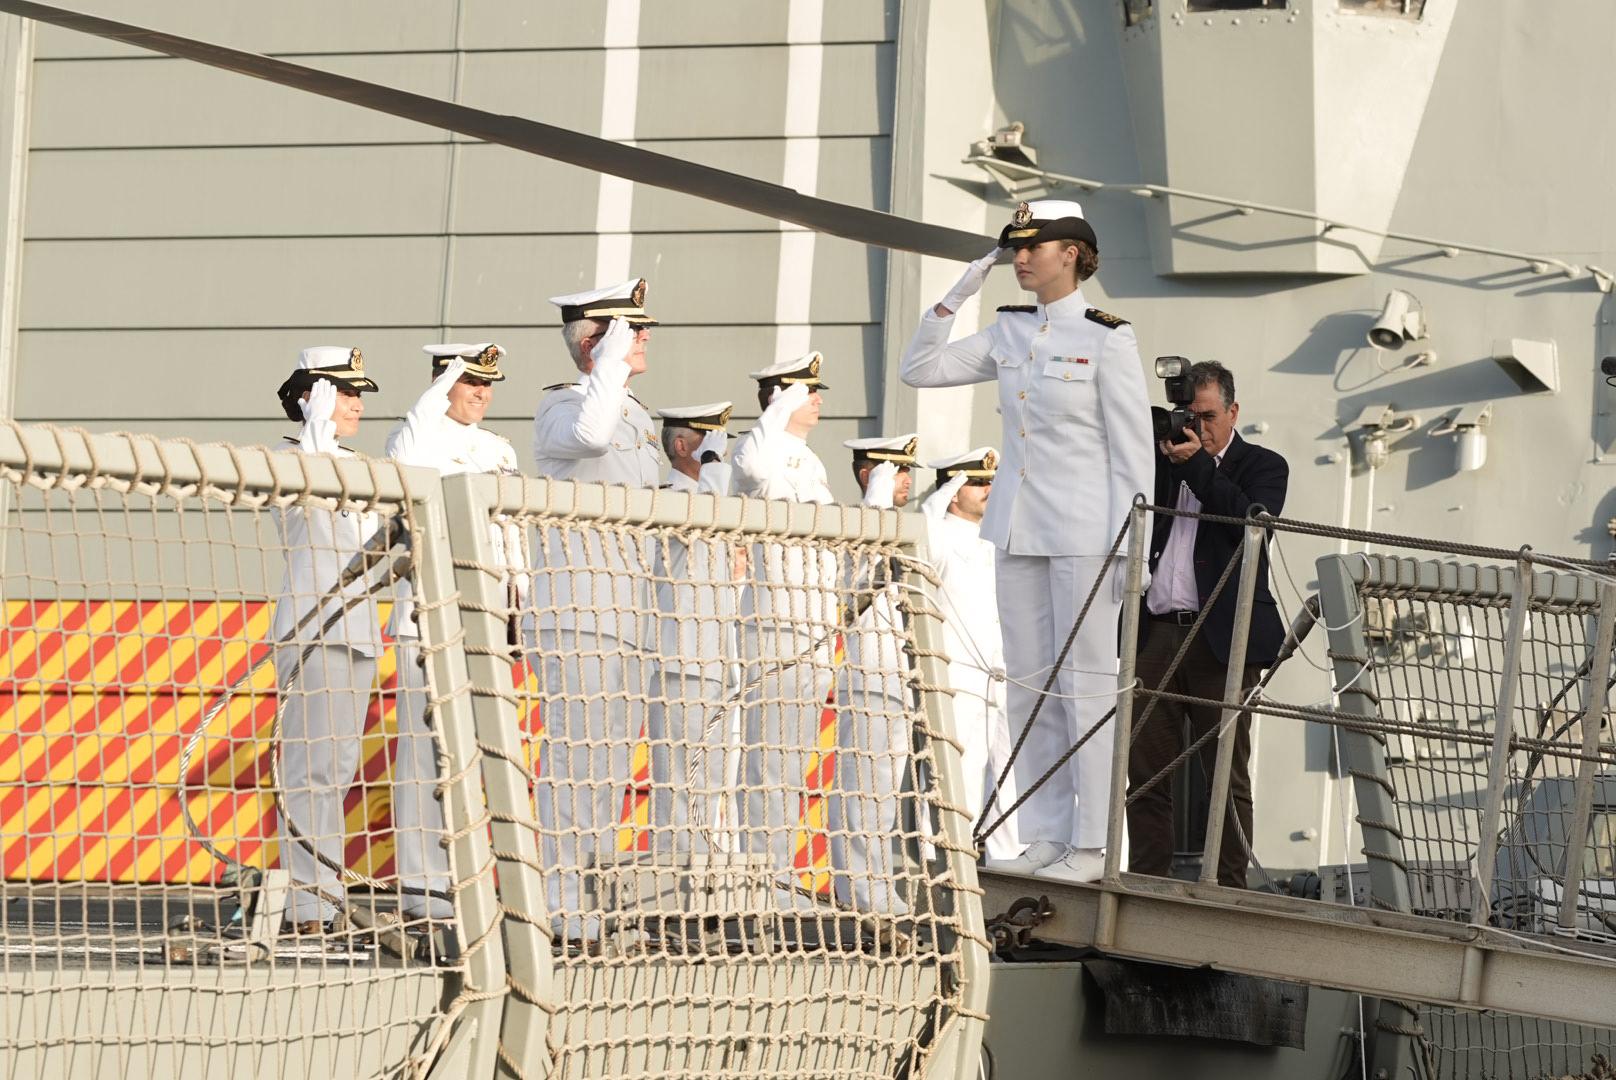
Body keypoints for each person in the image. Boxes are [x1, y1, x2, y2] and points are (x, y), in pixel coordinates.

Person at [899, 199, 1153, 883]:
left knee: (1087, 689)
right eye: (1013, 248)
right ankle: (1044, 835)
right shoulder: (1010, 331)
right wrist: (960, 293)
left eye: (1031, 248)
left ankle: (1094, 847)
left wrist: (1134, 552)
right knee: (1031, 688)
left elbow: (1133, 457)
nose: (1018, 258)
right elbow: (919, 370)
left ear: (1071, 253)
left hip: (1086, 537)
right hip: (1016, 529)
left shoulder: (1108, 338)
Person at [530, 278, 661, 943]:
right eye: (628, 330)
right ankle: (555, 901)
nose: (644, 337)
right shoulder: (567, 407)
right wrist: (606, 365)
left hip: (627, 611)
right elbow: (588, 438)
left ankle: (589, 900)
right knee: (576, 756)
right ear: (596, 342)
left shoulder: (634, 413)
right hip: (576, 610)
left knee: (609, 762)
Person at [1126, 360, 1288, 889]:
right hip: (1159, 631)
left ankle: (1227, 887)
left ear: (1233, 411)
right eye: (1189, 416)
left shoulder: (1263, 464)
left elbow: (1251, 520)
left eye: (1209, 416)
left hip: (1223, 639)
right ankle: (1148, 879)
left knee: (1226, 771)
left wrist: (1198, 466)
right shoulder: (1163, 461)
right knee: (1145, 767)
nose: (1197, 427)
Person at [384, 342, 524, 924]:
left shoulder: (498, 448)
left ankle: (467, 875)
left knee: (476, 746)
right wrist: (438, 391)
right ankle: (421, 883)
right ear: (444, 384)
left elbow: (513, 533)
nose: (482, 395)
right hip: (431, 606)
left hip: (488, 611)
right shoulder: (415, 436)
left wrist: (520, 605)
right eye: (471, 384)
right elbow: (412, 458)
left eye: (489, 385)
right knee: (426, 747)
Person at [270, 345, 384, 932]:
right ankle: (306, 904)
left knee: (336, 771)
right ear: (313, 396)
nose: (356, 404)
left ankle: (323, 896)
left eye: (357, 393)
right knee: (308, 771)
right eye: (343, 392)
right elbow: (306, 506)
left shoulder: (358, 466)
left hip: (358, 631)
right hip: (311, 631)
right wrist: (314, 429)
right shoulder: (289, 459)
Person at [726, 352, 839, 905]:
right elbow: (750, 471)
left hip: (811, 624)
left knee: (791, 759)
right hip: (773, 626)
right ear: (781, 397)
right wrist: (776, 410)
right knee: (768, 758)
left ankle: (778, 873)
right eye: (805, 390)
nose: (817, 398)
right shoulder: (760, 448)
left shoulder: (808, 459)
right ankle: (762, 878)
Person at [918, 448, 1025, 863]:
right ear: (953, 489)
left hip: (1000, 676)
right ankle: (940, 865)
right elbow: (917, 549)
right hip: (955, 677)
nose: (989, 489)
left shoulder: (997, 536)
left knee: (1008, 777)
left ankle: (1006, 863)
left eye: (992, 481)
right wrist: (932, 505)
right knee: (952, 778)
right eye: (977, 482)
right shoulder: (940, 534)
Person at [646, 402, 741, 857]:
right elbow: (707, 520)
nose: (717, 453)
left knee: (715, 781)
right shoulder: (667, 497)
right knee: (681, 781)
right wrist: (714, 468)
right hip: (681, 658)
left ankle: (707, 872)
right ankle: (678, 879)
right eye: (708, 442)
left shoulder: (710, 495)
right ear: (682, 446)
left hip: (719, 657)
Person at [829, 434, 919, 917]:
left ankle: (867, 884)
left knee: (882, 788)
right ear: (871, 476)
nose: (906, 480)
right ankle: (864, 889)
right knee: (867, 784)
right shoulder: (859, 526)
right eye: (895, 471)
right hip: (869, 672)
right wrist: (877, 498)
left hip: (894, 673)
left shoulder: (898, 528)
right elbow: (859, 578)